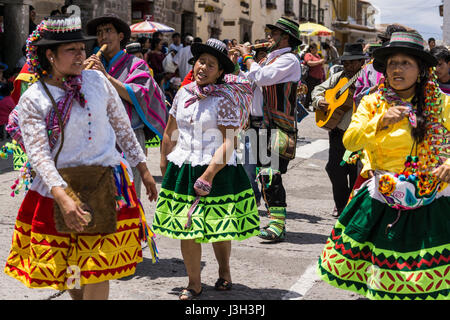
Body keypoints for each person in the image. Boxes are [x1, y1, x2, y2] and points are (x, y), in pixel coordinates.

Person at [3, 15, 158, 300]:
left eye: (82, 49)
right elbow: (38, 154)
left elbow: (122, 125)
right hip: (61, 188)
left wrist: (143, 169)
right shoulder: (34, 98)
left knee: (100, 265)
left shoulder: (97, 80)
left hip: (106, 184)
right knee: (73, 265)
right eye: (71, 50)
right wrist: (63, 197)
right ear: (50, 55)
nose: (80, 55)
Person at [317, 31, 450, 300]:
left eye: (405, 63)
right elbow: (350, 141)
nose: (397, 68)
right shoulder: (372, 102)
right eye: (392, 63)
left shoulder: (443, 103)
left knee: (428, 280)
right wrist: (379, 123)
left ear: (422, 70)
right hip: (384, 198)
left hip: (433, 199)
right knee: (383, 279)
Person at [152, 38, 259, 300]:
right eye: (201, 62)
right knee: (187, 228)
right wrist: (164, 162)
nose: (204, 67)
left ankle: (224, 271)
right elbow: (170, 131)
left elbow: (230, 141)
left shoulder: (225, 99)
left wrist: (209, 174)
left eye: (211, 65)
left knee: (216, 226)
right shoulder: (183, 93)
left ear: (221, 72)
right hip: (184, 168)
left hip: (217, 168)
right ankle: (194, 283)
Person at [85, 13, 168, 198]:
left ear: (120, 36)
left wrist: (105, 77)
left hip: (129, 137)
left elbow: (139, 94)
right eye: (99, 33)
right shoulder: (93, 65)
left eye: (108, 31)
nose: (103, 36)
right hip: (98, 139)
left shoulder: (136, 64)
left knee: (129, 196)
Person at [236, 16, 302, 242]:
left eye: (274, 34)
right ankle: (253, 217)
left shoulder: (289, 60)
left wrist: (247, 57)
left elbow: (263, 78)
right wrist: (239, 63)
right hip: (256, 123)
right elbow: (249, 82)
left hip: (276, 125)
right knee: (253, 175)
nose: (269, 37)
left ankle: (278, 224)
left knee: (270, 175)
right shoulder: (267, 60)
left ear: (286, 38)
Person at [311, 43, 366, 217]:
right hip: (337, 131)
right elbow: (318, 89)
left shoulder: (367, 78)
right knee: (334, 169)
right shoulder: (339, 76)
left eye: (351, 63)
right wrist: (319, 101)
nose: (347, 66)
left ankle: (351, 206)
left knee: (354, 171)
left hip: (357, 134)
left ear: (360, 62)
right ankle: (341, 204)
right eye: (345, 63)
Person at [304, 43, 325, 109]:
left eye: (317, 49)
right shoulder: (308, 55)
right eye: (315, 48)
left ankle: (315, 107)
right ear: (311, 49)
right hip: (311, 77)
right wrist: (319, 62)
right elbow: (309, 63)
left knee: (317, 92)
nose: (316, 50)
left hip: (318, 77)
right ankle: (306, 105)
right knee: (309, 92)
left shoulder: (318, 56)